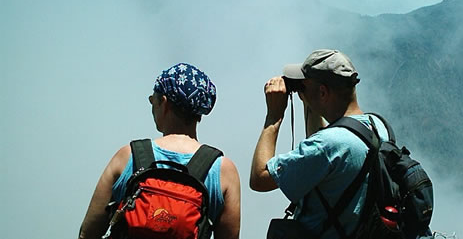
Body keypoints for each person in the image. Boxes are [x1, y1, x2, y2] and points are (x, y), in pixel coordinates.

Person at [79, 63, 241, 239]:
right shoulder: (223, 170)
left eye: (152, 100)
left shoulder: (128, 156)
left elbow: (88, 233)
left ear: (163, 103)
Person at [250, 49, 391, 238]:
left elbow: (259, 178)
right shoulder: (378, 126)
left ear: (323, 92)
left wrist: (273, 117)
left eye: (303, 87)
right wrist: (311, 100)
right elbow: (324, 159)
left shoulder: (329, 145)